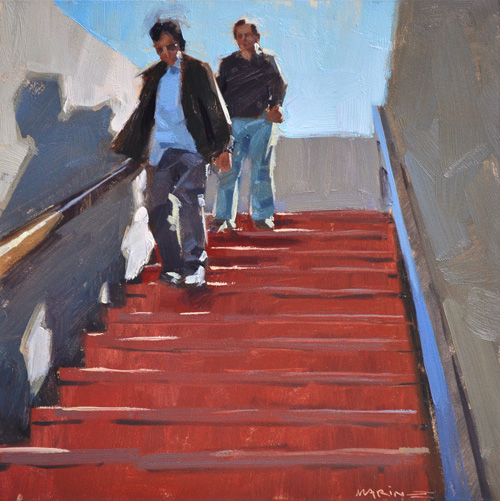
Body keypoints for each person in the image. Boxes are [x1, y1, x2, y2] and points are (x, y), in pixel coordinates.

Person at [112, 19, 232, 286]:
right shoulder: (154, 76)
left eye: (171, 46)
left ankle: (194, 264)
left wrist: (223, 147)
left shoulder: (197, 71)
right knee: (157, 208)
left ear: (180, 44)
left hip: (192, 150)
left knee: (189, 203)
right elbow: (144, 115)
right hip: (160, 153)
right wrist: (131, 147)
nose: (167, 53)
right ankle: (172, 265)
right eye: (160, 49)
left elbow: (215, 110)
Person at [214, 18, 287, 231]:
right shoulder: (227, 64)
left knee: (261, 171)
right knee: (229, 171)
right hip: (234, 124)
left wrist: (276, 106)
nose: (244, 39)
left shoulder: (267, 61)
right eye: (240, 36)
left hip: (261, 123)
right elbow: (218, 94)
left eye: (248, 35)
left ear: (257, 37)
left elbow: (279, 86)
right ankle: (224, 218)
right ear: (236, 39)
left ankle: (263, 216)